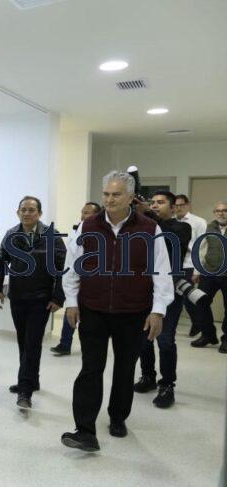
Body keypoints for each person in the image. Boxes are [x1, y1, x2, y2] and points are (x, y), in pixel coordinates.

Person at [60, 170, 173, 452]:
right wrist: (71, 301)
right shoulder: (87, 226)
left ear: (131, 197)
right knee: (91, 368)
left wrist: (158, 310)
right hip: (93, 309)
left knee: (125, 368)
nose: (109, 200)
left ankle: (118, 416)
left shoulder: (150, 229)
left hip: (132, 312)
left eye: (116, 194)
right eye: (106, 194)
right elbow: (72, 267)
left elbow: (161, 271)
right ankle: (85, 430)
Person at [0, 196, 65, 409]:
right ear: (18, 212)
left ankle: (25, 390)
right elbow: (0, 264)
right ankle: (32, 380)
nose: (27, 213)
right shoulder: (11, 235)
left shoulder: (51, 236)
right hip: (18, 297)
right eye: (23, 209)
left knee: (32, 343)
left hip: (41, 299)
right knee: (23, 342)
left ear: (39, 213)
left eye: (31, 210)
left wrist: (58, 297)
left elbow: (62, 269)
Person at [133, 191, 191, 408]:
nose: (155, 205)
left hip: (169, 292)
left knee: (165, 339)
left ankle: (167, 385)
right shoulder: (145, 226)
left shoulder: (181, 228)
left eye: (161, 202)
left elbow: (167, 239)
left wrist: (148, 214)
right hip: (144, 290)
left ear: (173, 208)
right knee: (144, 338)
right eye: (153, 203)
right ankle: (148, 376)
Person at [50, 202, 102, 356]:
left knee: (89, 317)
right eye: (82, 212)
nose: (83, 215)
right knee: (71, 310)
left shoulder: (101, 232)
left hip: (92, 280)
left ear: (96, 215)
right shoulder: (77, 229)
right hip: (75, 278)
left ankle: (89, 346)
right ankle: (65, 344)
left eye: (87, 213)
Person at [190, 201, 227, 352]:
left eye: (224, 210)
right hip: (209, 273)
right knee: (200, 302)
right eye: (218, 211)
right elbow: (201, 249)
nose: (221, 213)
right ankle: (208, 335)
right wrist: (197, 271)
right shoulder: (209, 227)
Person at [174, 194, 208, 337]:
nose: (178, 208)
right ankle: (171, 326)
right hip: (174, 265)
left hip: (189, 264)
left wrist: (197, 270)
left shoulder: (198, 222)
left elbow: (202, 247)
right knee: (174, 298)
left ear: (188, 205)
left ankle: (198, 323)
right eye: (175, 205)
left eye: (181, 205)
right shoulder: (171, 221)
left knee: (188, 298)